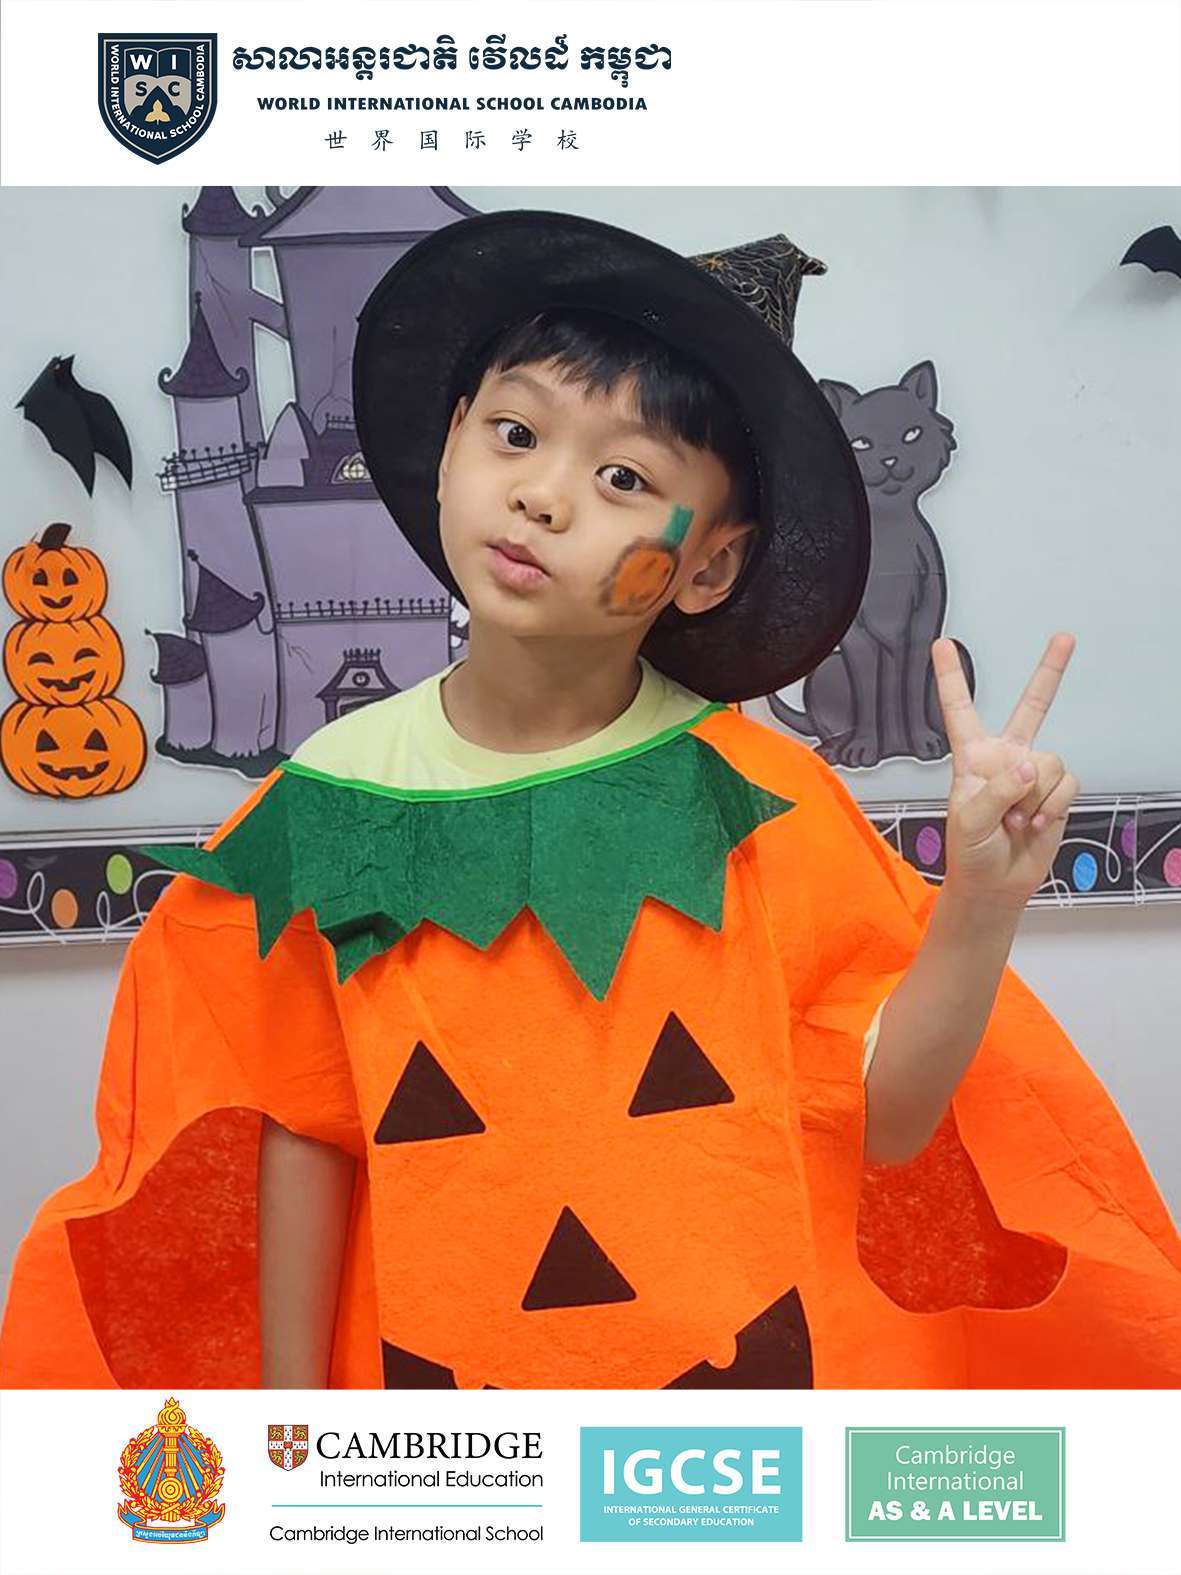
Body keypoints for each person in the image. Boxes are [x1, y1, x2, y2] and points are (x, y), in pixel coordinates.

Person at [2, 211, 1178, 1390]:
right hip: (445, 1455)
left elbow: (890, 1124)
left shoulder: (763, 803)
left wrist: (978, 900)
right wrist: (292, 1444)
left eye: (623, 477)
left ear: (706, 564)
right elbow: (303, 1128)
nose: (543, 497)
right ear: (451, 441)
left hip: (732, 1436)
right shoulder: (325, 813)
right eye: (514, 433)